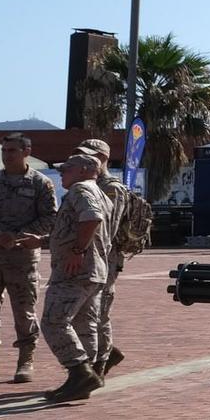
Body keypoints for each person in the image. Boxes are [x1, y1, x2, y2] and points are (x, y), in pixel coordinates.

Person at [0, 133, 57, 383]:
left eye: (12, 150)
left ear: (26, 151)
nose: (7, 155)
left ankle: (26, 360)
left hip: (22, 258)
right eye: (4, 151)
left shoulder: (40, 184)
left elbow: (50, 218)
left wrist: (18, 236)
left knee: (24, 310)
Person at [40, 154, 109, 403]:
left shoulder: (81, 189)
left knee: (53, 322)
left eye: (66, 169)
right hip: (94, 271)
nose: (62, 173)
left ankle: (79, 372)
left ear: (83, 170)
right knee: (83, 326)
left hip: (76, 270)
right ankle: (83, 379)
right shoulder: (99, 191)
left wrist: (77, 250)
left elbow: (91, 218)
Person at [74, 138, 137, 377]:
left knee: (99, 312)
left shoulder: (111, 187)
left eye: (93, 155)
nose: (88, 159)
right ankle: (106, 353)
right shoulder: (86, 183)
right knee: (88, 312)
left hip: (105, 258)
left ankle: (100, 363)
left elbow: (106, 228)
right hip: (91, 256)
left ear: (104, 159)